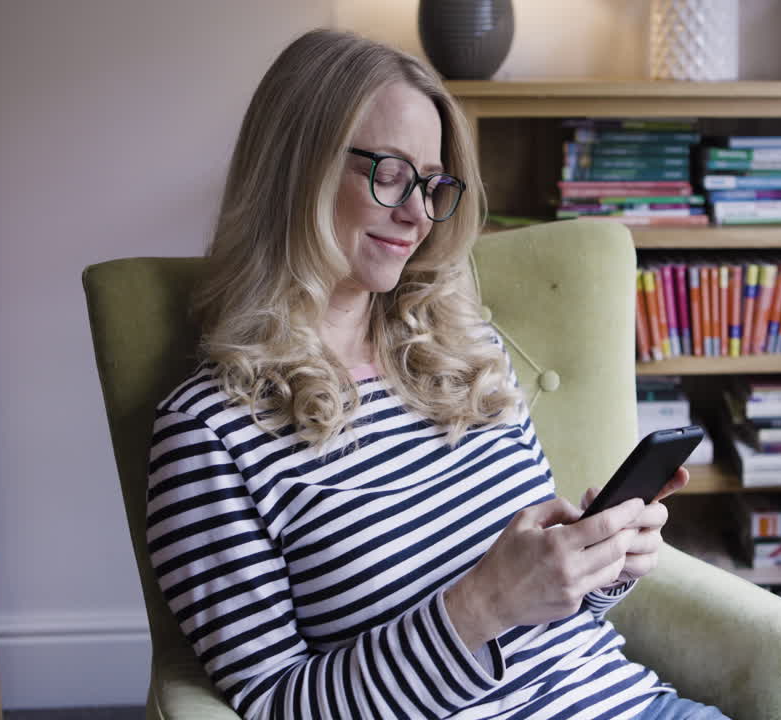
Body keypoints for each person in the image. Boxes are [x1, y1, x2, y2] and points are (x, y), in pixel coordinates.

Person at [145, 28, 731, 720]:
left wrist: (596, 563)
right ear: (295, 169)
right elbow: (277, 706)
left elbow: (556, 616)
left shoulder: (464, 347)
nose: (418, 213)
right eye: (389, 174)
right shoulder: (207, 438)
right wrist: (481, 605)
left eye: (432, 183)